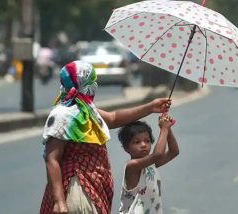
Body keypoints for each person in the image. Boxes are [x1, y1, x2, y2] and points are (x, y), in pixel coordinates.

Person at [39, 60, 172, 214]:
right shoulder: (63, 114)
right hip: (77, 187)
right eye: (91, 81)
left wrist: (150, 107)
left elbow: (113, 118)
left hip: (94, 188)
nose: (94, 85)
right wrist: (59, 201)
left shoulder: (87, 109)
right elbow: (52, 158)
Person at [117, 115, 179, 214]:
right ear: (126, 148)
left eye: (147, 141)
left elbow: (174, 151)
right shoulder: (132, 166)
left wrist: (168, 129)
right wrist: (164, 128)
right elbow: (158, 154)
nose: (143, 145)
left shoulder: (150, 164)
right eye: (137, 142)